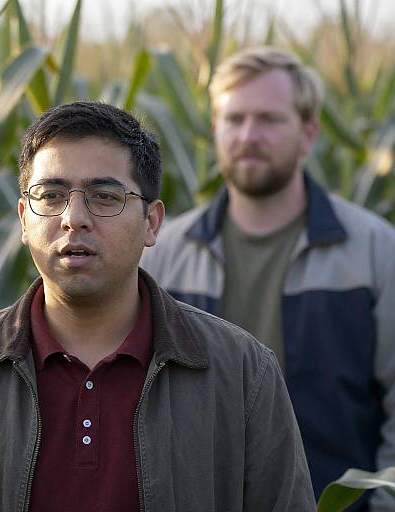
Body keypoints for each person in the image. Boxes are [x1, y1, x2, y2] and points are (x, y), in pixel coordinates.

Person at [0, 101, 315, 511]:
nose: (74, 217)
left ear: (152, 222)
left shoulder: (242, 373)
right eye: (50, 196)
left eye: (104, 196)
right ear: (22, 219)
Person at [140, 46, 395, 511]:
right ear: (215, 129)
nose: (249, 135)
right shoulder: (162, 253)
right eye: (234, 119)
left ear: (309, 133)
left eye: (270, 120)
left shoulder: (375, 251)